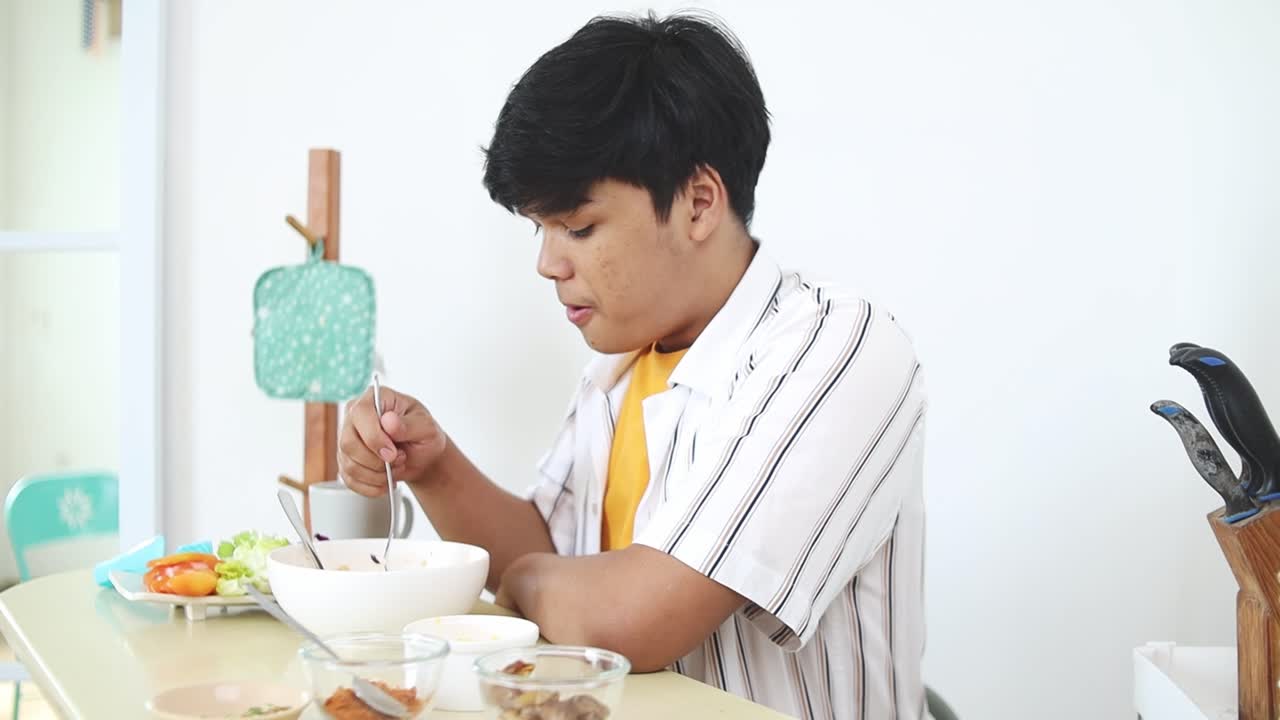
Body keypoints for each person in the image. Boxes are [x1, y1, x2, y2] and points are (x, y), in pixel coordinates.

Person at [339, 11, 928, 719]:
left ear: (699, 202)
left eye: (578, 228)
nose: (548, 263)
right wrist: (433, 466)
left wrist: (527, 582)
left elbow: (631, 617)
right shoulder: (620, 364)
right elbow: (554, 552)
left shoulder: (839, 349)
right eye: (539, 229)